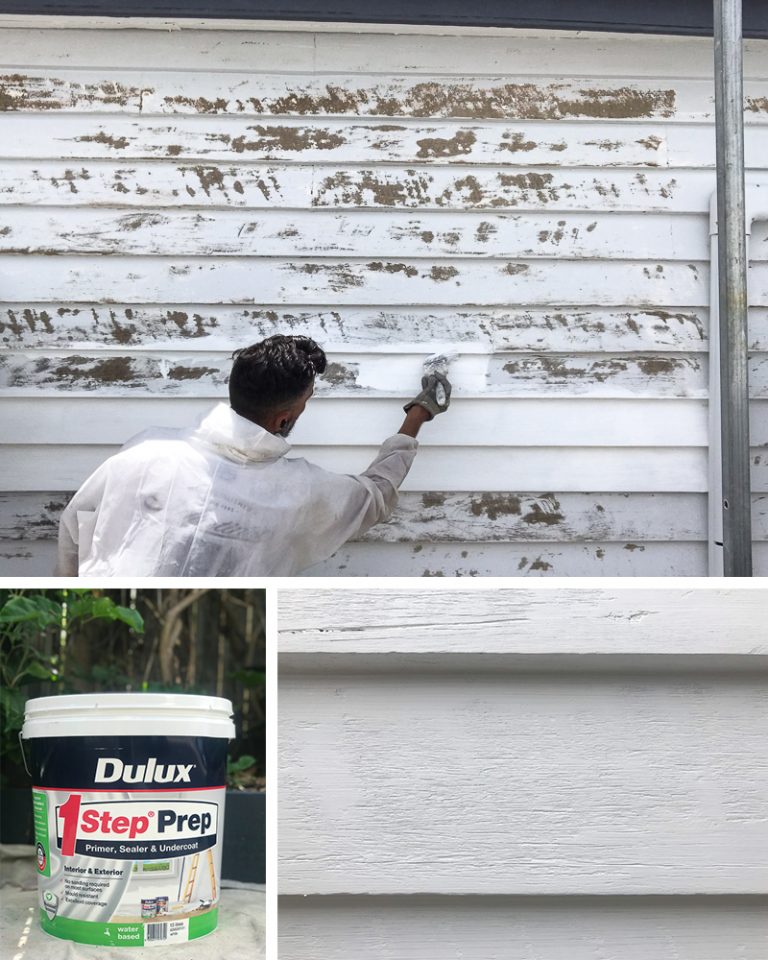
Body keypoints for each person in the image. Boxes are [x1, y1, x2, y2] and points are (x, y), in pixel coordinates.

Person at [55, 335, 451, 576]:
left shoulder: (143, 454)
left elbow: (74, 532)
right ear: (284, 418)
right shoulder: (299, 492)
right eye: (307, 400)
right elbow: (375, 494)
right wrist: (419, 415)